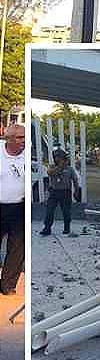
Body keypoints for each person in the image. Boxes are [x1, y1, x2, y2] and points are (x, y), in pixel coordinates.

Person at [0, 124, 26, 295]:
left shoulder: (27, 155)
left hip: (18, 208)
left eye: (24, 137)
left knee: (17, 248)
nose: (23, 141)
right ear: (8, 139)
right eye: (19, 138)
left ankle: (7, 285)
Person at [40, 149, 80, 237]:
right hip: (54, 192)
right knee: (49, 210)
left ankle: (67, 227)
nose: (57, 159)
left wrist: (76, 191)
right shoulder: (52, 167)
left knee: (66, 211)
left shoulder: (70, 169)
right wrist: (60, 166)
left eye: (59, 157)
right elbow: (50, 173)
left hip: (65, 192)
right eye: (56, 157)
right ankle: (47, 228)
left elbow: (75, 180)